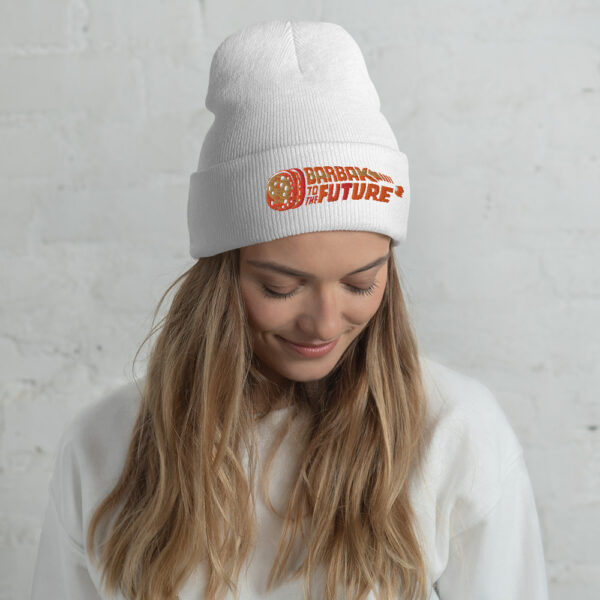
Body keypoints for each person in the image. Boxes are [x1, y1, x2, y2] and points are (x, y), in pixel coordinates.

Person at [30, 19, 550, 600]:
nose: (325, 324)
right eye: (281, 288)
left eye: (360, 284)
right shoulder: (103, 447)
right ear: (221, 277)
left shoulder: (456, 435)